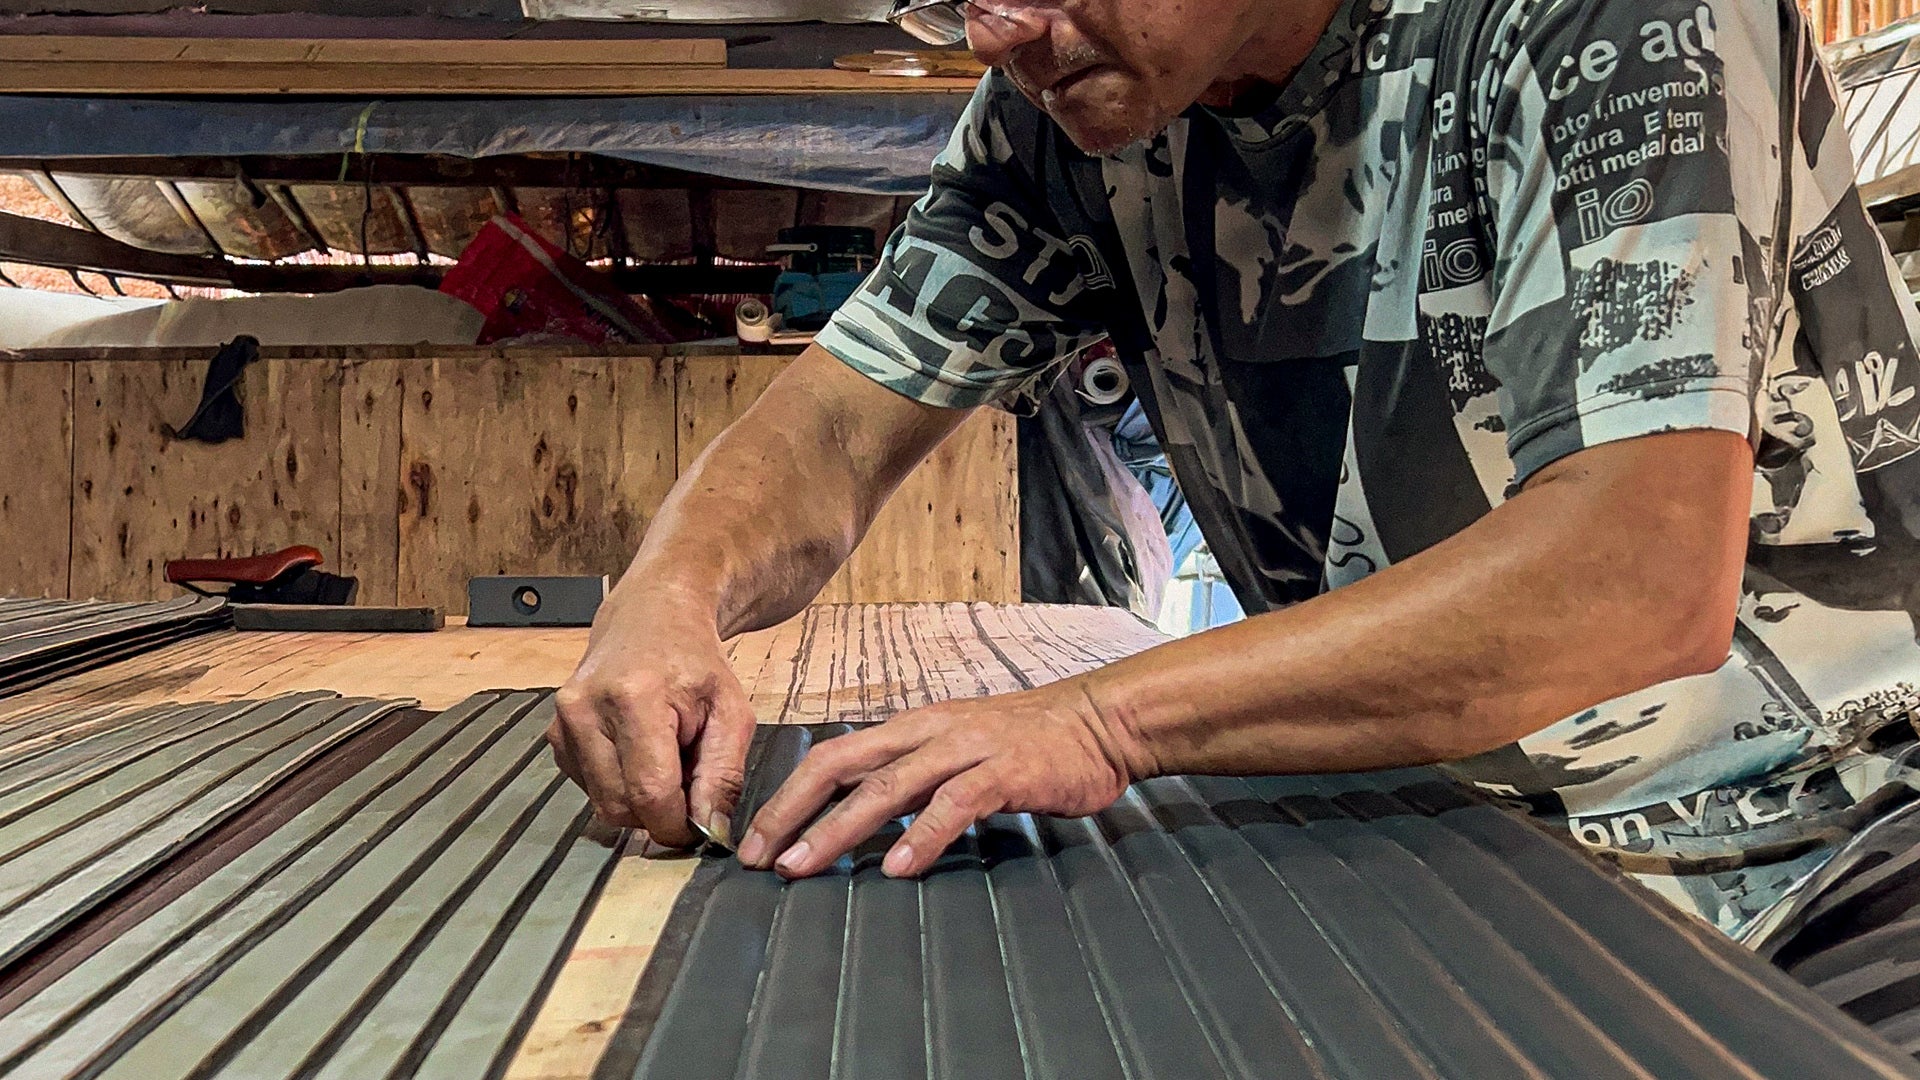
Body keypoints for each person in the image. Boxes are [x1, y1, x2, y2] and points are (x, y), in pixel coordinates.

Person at [550, 0, 1920, 1028]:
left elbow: (1641, 569)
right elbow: (844, 419)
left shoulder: (1609, 19)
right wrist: (666, 590)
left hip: (1822, 845)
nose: (994, 30)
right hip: (1446, 830)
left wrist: (1097, 716)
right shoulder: (1067, 113)